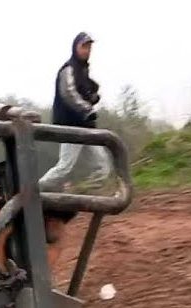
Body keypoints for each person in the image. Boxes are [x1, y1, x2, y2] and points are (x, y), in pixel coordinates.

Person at [39, 32, 114, 192]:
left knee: (102, 166)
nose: (87, 50)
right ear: (75, 47)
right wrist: (86, 108)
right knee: (64, 168)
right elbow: (69, 94)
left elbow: (84, 92)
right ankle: (32, 193)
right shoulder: (68, 69)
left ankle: (83, 195)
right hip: (70, 127)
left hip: (86, 127)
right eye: (84, 46)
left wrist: (92, 96)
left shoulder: (83, 70)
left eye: (89, 47)